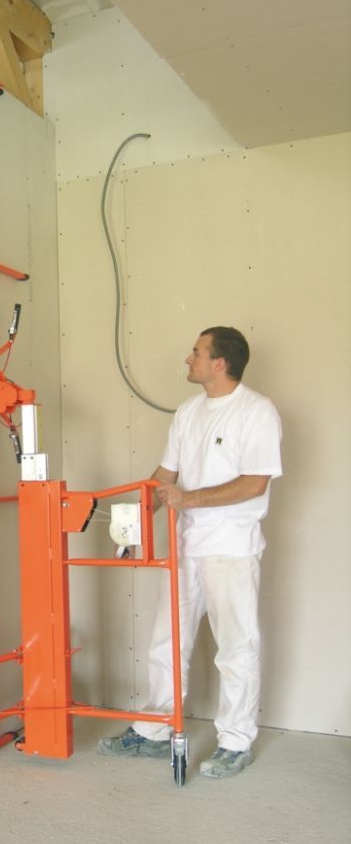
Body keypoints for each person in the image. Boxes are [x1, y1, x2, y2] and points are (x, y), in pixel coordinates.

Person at [99, 326, 282, 778]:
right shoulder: (188, 412)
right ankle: (155, 729)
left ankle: (235, 742)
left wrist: (189, 499)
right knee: (166, 641)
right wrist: (133, 523)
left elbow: (255, 483)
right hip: (185, 547)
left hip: (231, 548)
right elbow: (164, 477)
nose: (188, 358)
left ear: (219, 363)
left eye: (196, 352)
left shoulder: (256, 411)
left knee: (235, 646)